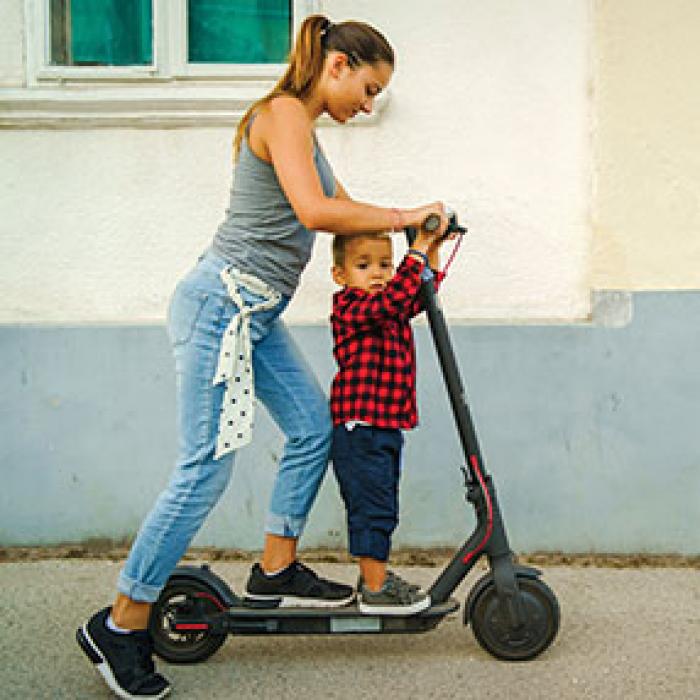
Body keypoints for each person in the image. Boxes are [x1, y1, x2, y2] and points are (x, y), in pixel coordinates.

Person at [76, 13, 447, 699]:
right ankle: (121, 623)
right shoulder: (281, 113)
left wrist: (417, 225)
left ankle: (275, 569)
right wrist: (403, 217)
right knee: (203, 472)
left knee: (313, 426)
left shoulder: (305, 134)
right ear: (336, 65)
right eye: (368, 89)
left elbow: (341, 206)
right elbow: (313, 212)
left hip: (256, 311)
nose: (368, 106)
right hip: (220, 304)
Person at [329, 226, 446, 615]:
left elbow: (419, 294)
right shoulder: (350, 307)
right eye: (364, 266)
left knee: (383, 504)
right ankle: (376, 588)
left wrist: (432, 249)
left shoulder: (390, 306)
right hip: (359, 428)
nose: (378, 273)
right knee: (371, 505)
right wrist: (414, 255)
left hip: (385, 427)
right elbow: (394, 300)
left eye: (385, 264)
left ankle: (373, 577)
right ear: (340, 275)